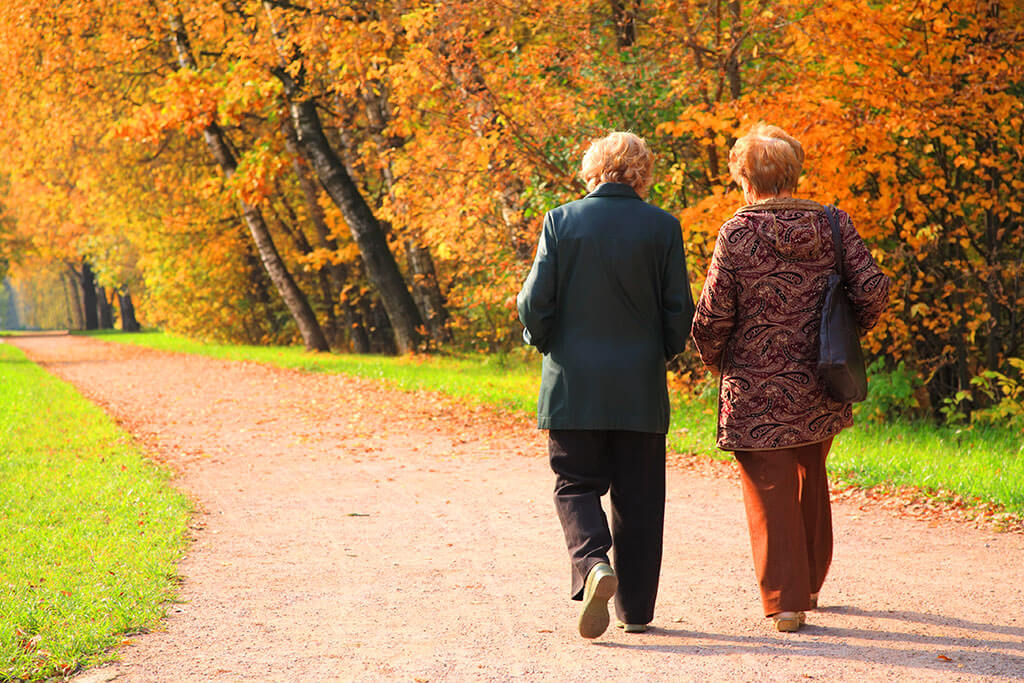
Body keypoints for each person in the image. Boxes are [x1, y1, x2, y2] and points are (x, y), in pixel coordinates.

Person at [690, 123, 890, 632]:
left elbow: (713, 314)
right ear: (792, 173)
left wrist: (714, 358)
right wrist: (843, 330)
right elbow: (873, 289)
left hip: (755, 384)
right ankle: (812, 583)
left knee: (769, 484)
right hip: (822, 380)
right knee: (810, 472)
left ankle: (785, 600)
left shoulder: (738, 231)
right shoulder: (833, 223)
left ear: (745, 178)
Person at [517, 131, 694, 639]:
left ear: (592, 171)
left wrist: (541, 337)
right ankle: (636, 612)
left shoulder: (561, 221)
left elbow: (534, 303)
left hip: (573, 384)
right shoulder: (663, 227)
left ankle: (594, 562)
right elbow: (678, 309)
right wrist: (663, 350)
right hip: (638, 385)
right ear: (643, 173)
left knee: (575, 483)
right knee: (640, 499)